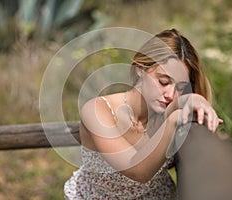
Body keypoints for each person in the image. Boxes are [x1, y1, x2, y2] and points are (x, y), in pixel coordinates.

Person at [64, 28, 222, 199]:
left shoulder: (172, 110)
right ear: (140, 69)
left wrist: (196, 100)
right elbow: (137, 171)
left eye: (181, 87)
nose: (170, 94)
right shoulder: (98, 110)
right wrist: (173, 119)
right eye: (163, 82)